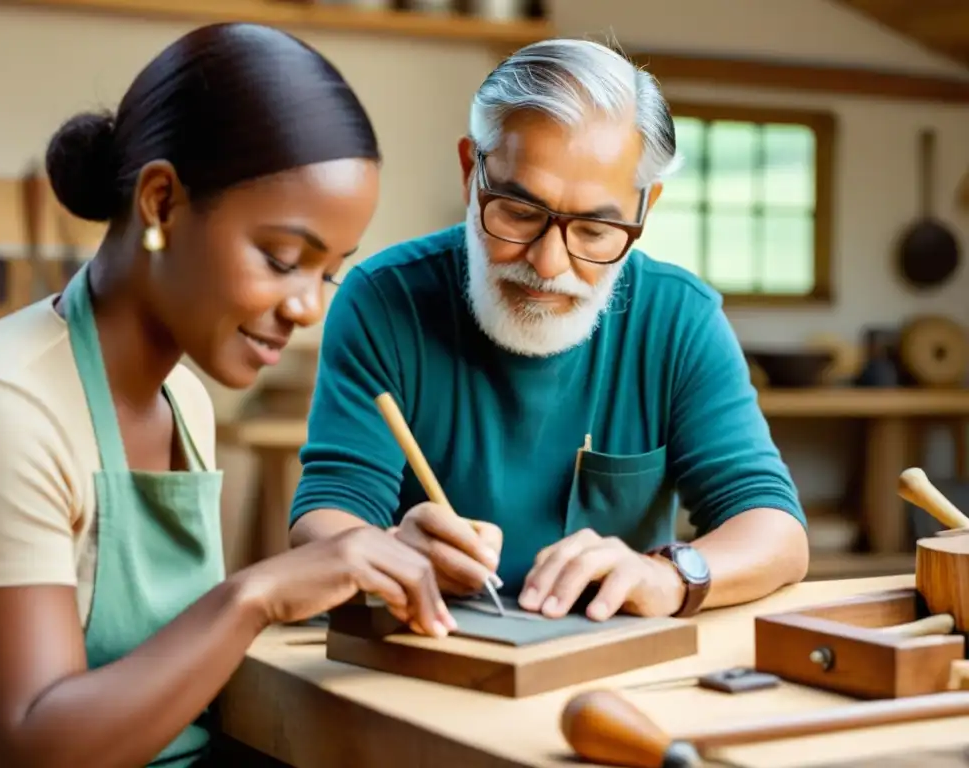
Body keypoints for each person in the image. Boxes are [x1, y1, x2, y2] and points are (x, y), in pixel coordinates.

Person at [0, 23, 456, 768]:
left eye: (329, 272)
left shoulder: (183, 395)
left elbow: (172, 677)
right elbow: (35, 745)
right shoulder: (1, 408)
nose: (309, 306)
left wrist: (365, 563)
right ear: (160, 203)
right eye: (283, 259)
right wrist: (255, 596)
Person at [289, 38, 810, 624]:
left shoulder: (680, 317)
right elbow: (324, 519)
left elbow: (776, 530)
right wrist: (385, 550)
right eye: (518, 213)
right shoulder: (384, 300)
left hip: (610, 665)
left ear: (646, 207)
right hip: (426, 648)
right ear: (470, 172)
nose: (547, 263)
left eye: (593, 231)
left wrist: (669, 575)